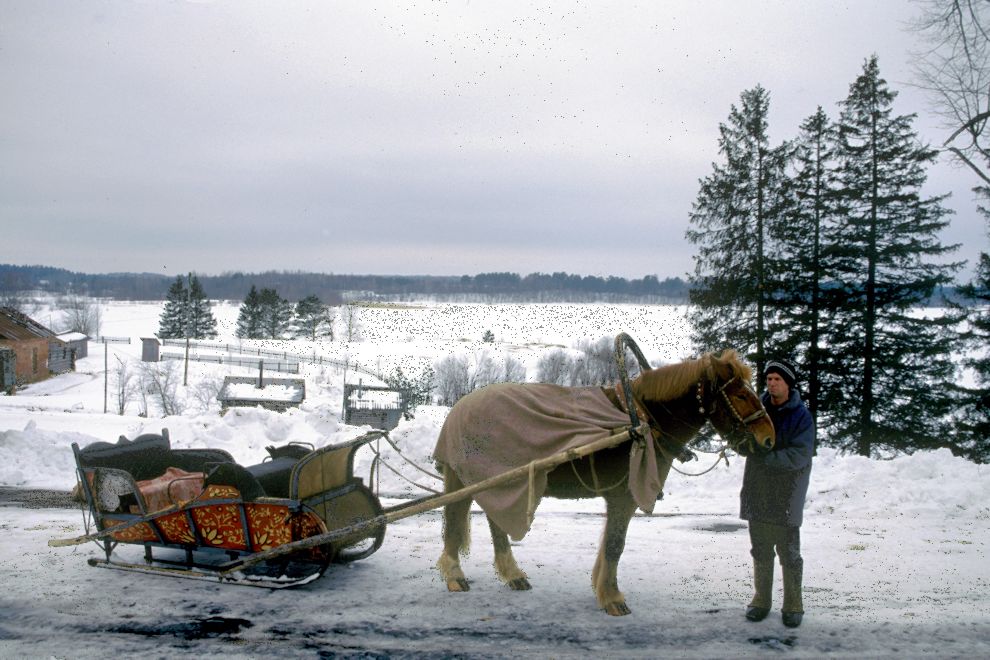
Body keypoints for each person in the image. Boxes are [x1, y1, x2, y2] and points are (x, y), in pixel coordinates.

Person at [739, 359, 814, 628]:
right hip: (758, 491)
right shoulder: (757, 411)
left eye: (777, 379)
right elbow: (743, 438)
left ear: (788, 384)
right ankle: (761, 601)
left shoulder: (801, 416)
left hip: (786, 494)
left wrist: (766, 457)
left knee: (789, 553)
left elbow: (800, 454)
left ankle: (794, 605)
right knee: (760, 549)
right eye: (769, 379)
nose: (771, 383)